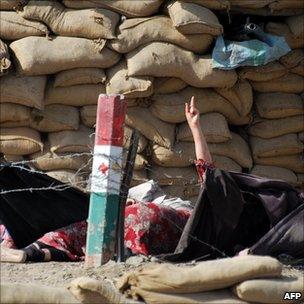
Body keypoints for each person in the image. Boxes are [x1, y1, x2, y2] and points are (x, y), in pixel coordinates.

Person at [0, 96, 213, 263]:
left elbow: (208, 174)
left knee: (86, 227)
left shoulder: (200, 213)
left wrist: (196, 129)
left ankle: (25, 248)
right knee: (83, 235)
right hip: (152, 227)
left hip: (153, 216)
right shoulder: (214, 229)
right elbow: (208, 175)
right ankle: (32, 252)